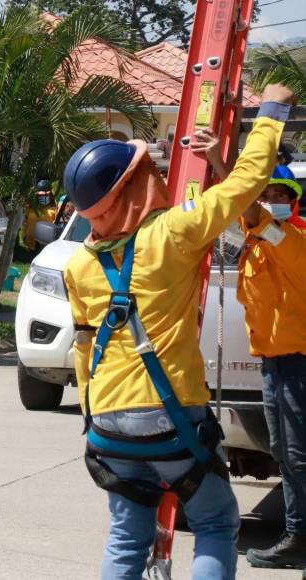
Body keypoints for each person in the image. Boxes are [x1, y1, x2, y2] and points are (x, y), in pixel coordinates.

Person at [63, 84, 293, 579]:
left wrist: (90, 414)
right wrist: (271, 111)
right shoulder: (174, 232)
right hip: (171, 423)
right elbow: (248, 181)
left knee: (126, 535)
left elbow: (84, 348)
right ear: (133, 186)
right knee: (214, 520)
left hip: (106, 425)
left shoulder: (78, 263)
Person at [198, 134, 306, 569]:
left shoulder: (291, 239)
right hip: (274, 362)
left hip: (297, 362)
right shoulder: (258, 245)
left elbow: (251, 212)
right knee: (284, 451)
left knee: (298, 453)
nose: (273, 201)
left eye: (281, 194)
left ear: (292, 201)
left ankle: (298, 536)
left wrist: (220, 162)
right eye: (268, 194)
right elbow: (238, 216)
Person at [20, 179, 59, 251]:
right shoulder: (30, 207)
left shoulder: (55, 209)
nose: (43, 197)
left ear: (50, 195)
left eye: (46, 195)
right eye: (41, 195)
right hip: (29, 246)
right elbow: (24, 223)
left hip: (47, 247)